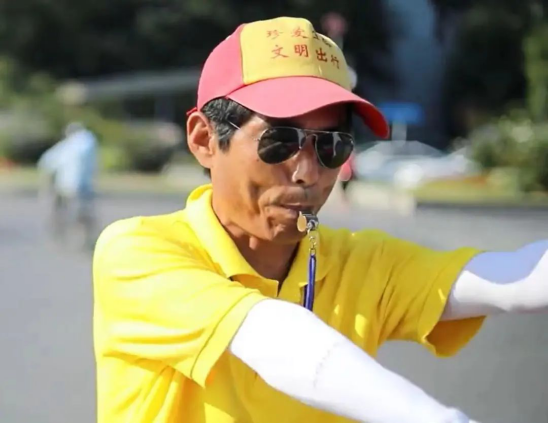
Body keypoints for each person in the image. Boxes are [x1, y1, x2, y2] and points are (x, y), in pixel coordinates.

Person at [92, 17, 548, 423]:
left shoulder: (359, 264)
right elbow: (274, 337)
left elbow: (517, 279)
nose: (307, 172)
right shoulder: (137, 253)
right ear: (204, 140)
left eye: (331, 145)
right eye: (279, 141)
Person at [38, 122, 98, 248]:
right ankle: (82, 238)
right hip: (82, 186)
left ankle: (61, 235)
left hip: (66, 184)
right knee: (81, 212)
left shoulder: (70, 145)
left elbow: (48, 162)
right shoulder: (88, 143)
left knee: (65, 211)